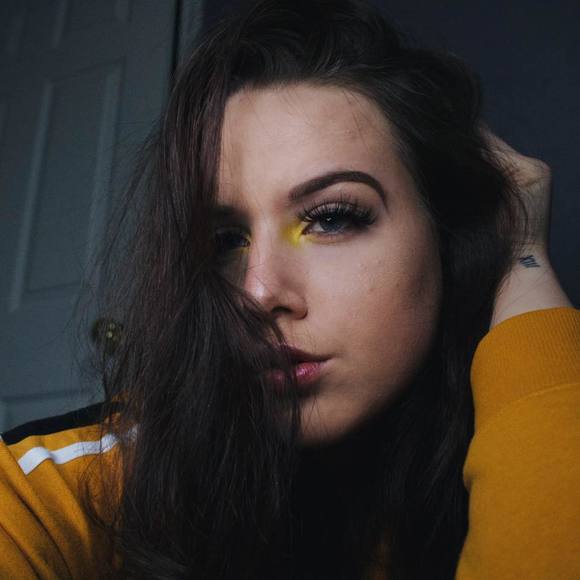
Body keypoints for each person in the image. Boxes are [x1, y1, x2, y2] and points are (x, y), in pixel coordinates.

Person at [1, 0, 578, 578]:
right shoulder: (66, 486)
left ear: (444, 232)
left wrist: (521, 253)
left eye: (331, 218)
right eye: (225, 240)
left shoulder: (520, 436)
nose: (257, 293)